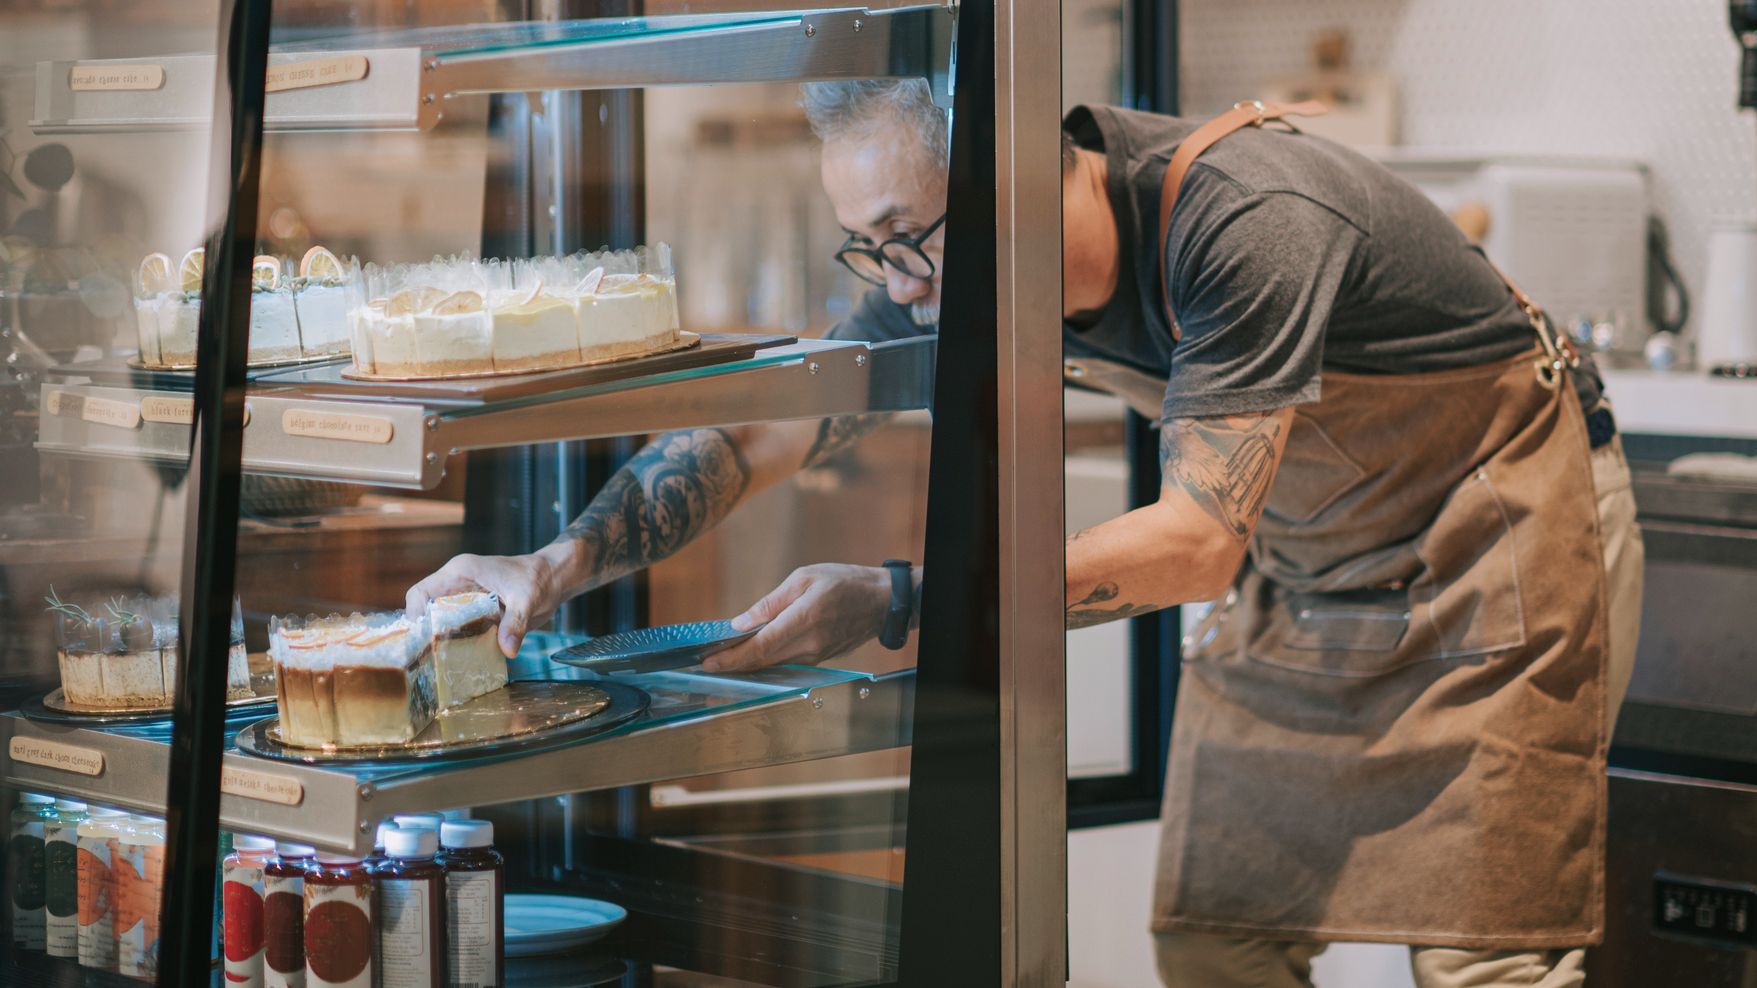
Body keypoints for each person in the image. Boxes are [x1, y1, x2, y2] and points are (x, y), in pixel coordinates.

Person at [409, 81, 1644, 988]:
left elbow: (1196, 543)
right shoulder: (954, 266)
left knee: (1485, 959)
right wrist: (557, 560)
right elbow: (765, 437)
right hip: (1316, 563)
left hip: (1491, 539)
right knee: (1217, 933)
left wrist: (904, 593)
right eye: (871, 244)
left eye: (908, 237)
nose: (895, 284)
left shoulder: (1241, 216)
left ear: (1025, 172)